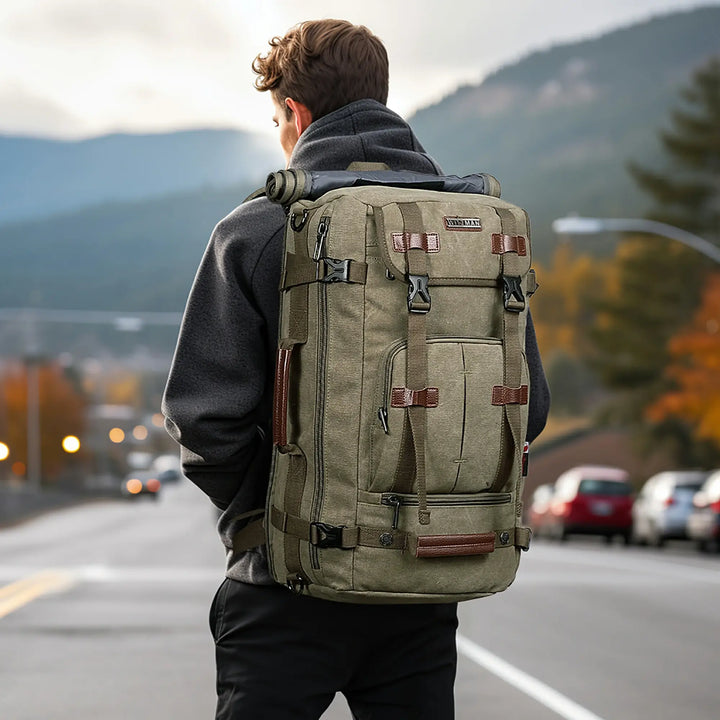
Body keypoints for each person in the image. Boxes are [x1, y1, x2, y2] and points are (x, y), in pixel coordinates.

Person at [162, 18, 550, 720]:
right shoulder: (474, 232)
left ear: (296, 114)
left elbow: (202, 418)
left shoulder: (257, 229)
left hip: (285, 590)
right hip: (421, 582)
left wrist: (280, 513)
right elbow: (532, 405)